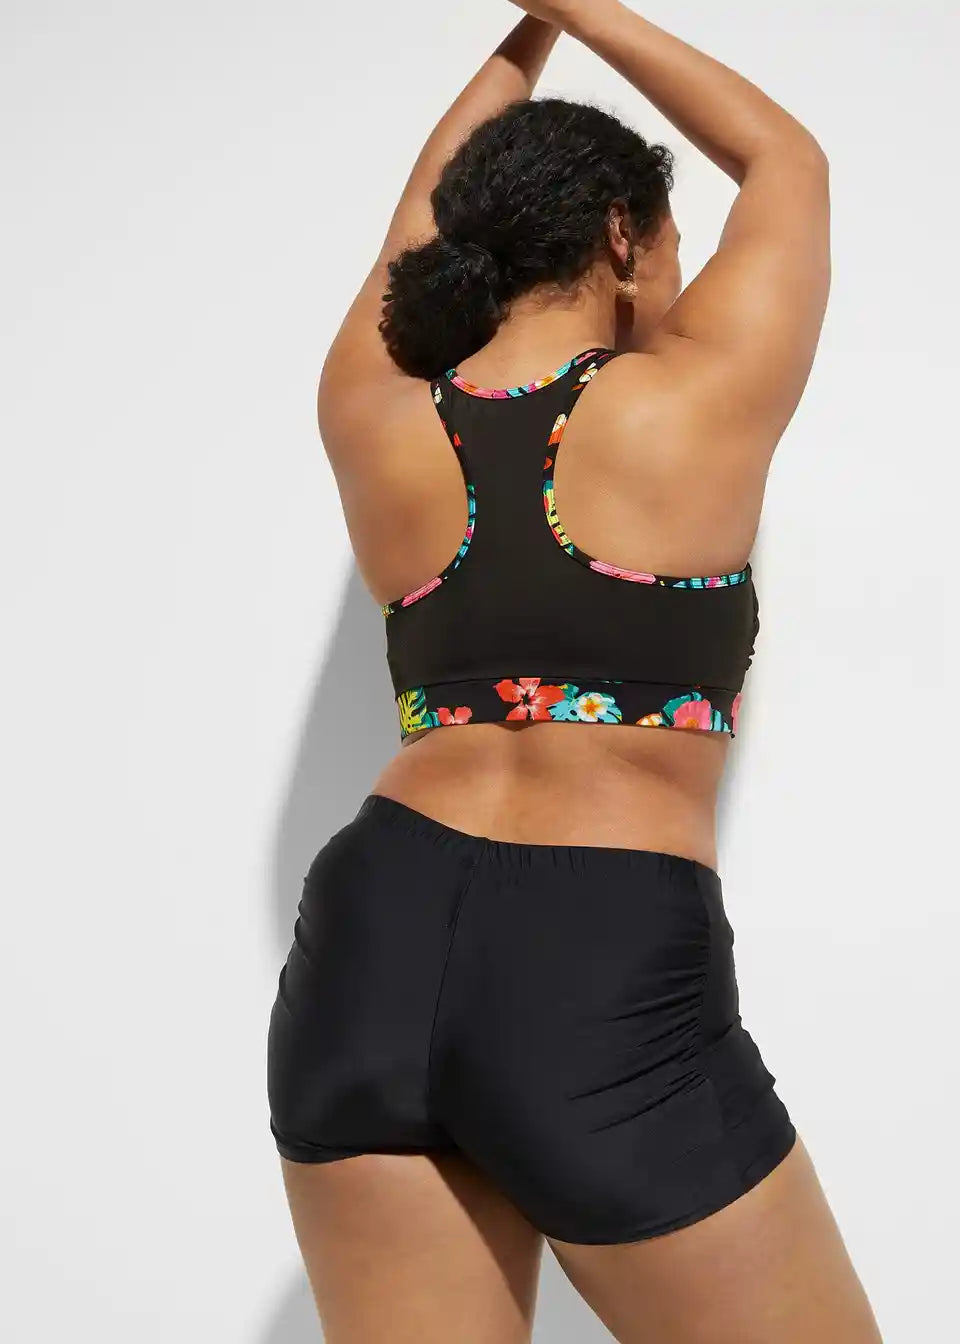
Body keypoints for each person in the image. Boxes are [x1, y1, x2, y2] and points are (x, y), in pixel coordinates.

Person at [267, 2, 882, 1339]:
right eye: (667, 246)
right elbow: (785, 160)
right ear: (621, 238)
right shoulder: (693, 399)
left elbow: (416, 221)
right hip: (594, 948)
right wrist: (574, 6)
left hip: (369, 945)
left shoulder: (371, 409)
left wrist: (522, 36)